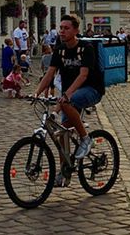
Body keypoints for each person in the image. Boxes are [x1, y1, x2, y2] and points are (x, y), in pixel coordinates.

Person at [32, 15, 105, 160]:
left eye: (66, 28)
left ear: (76, 30)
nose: (62, 31)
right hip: (69, 95)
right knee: (62, 132)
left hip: (91, 89)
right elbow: (49, 75)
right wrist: (36, 93)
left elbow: (83, 75)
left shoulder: (86, 48)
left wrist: (66, 96)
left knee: (66, 102)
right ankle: (64, 172)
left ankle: (85, 138)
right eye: (61, 28)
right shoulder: (59, 50)